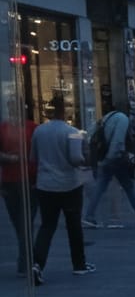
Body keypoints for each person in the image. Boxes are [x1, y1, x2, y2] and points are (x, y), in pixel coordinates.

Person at [29, 97, 93, 284]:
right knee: (74, 225)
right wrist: (85, 161)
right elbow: (75, 158)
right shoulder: (73, 132)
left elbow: (33, 157)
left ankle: (37, 264)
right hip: (69, 185)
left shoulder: (39, 131)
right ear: (64, 111)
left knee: (47, 226)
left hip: (45, 185)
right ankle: (79, 264)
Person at [82, 101, 135, 227]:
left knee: (100, 187)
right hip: (116, 159)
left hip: (107, 158)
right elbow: (118, 140)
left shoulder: (107, 118)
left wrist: (104, 160)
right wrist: (111, 158)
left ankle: (89, 216)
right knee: (129, 187)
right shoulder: (122, 118)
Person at [0, 98, 37, 274]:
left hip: (28, 179)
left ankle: (25, 261)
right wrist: (11, 158)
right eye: (11, 108)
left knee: (25, 223)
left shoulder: (32, 128)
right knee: (19, 223)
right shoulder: (3, 129)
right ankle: (27, 258)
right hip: (10, 181)